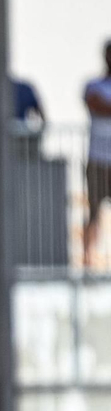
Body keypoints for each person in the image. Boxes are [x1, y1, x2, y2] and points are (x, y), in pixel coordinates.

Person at [85, 41, 111, 270]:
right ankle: (89, 259)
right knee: (94, 209)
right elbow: (95, 104)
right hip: (98, 158)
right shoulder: (94, 84)